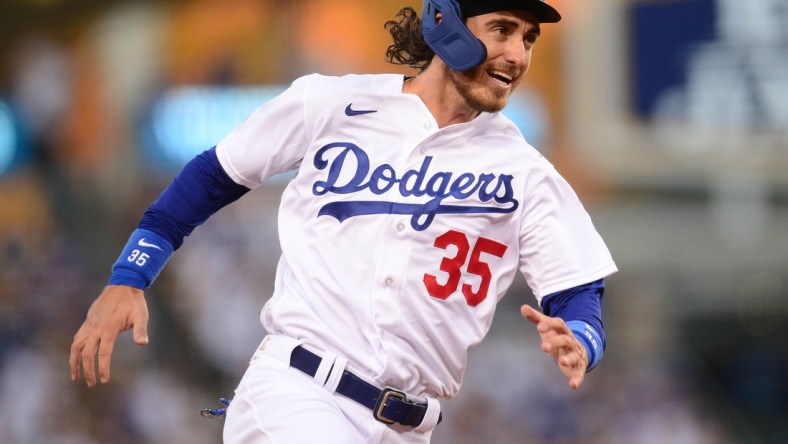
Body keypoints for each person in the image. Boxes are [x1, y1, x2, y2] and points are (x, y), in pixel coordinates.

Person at [69, 0, 618, 442]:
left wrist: (582, 339)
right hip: (300, 394)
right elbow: (215, 173)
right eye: (502, 29)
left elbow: (577, 290)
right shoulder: (332, 104)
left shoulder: (525, 171)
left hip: (411, 427)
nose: (517, 53)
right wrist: (130, 274)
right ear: (446, 20)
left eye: (527, 38)